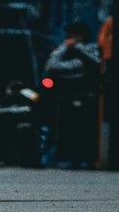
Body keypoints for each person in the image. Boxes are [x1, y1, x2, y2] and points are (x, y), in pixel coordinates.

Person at [42, 21, 100, 167]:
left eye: (71, 36)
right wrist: (64, 48)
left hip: (87, 97)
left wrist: (78, 47)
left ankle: (86, 159)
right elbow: (51, 66)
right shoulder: (64, 51)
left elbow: (96, 62)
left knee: (83, 129)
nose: (68, 39)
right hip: (64, 97)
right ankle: (65, 158)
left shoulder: (90, 49)